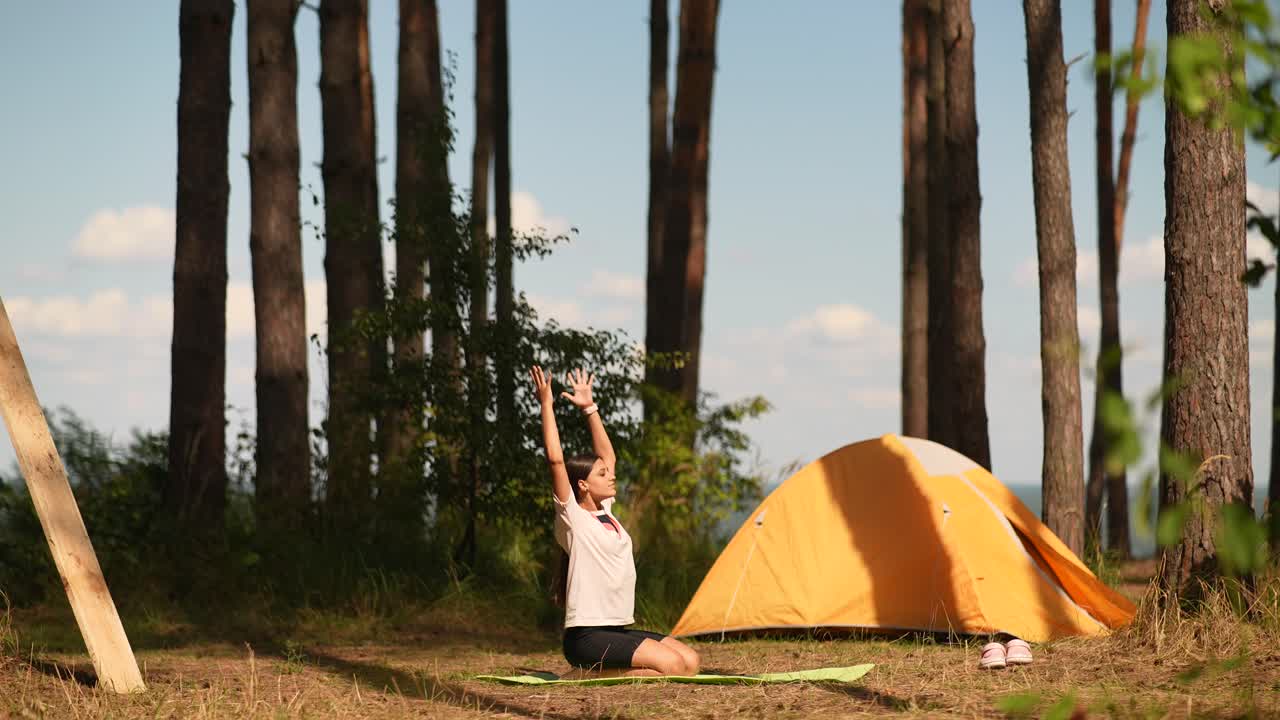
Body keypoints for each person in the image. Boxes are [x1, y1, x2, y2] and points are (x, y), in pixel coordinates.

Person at [530, 365, 701, 677]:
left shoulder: (605, 512)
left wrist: (589, 408)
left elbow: (608, 456)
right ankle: (584, 674)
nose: (611, 477)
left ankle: (601, 670)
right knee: (673, 668)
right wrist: (546, 404)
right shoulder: (573, 518)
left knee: (690, 660)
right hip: (587, 638)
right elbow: (555, 459)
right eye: (601, 475)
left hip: (615, 631)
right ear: (581, 485)